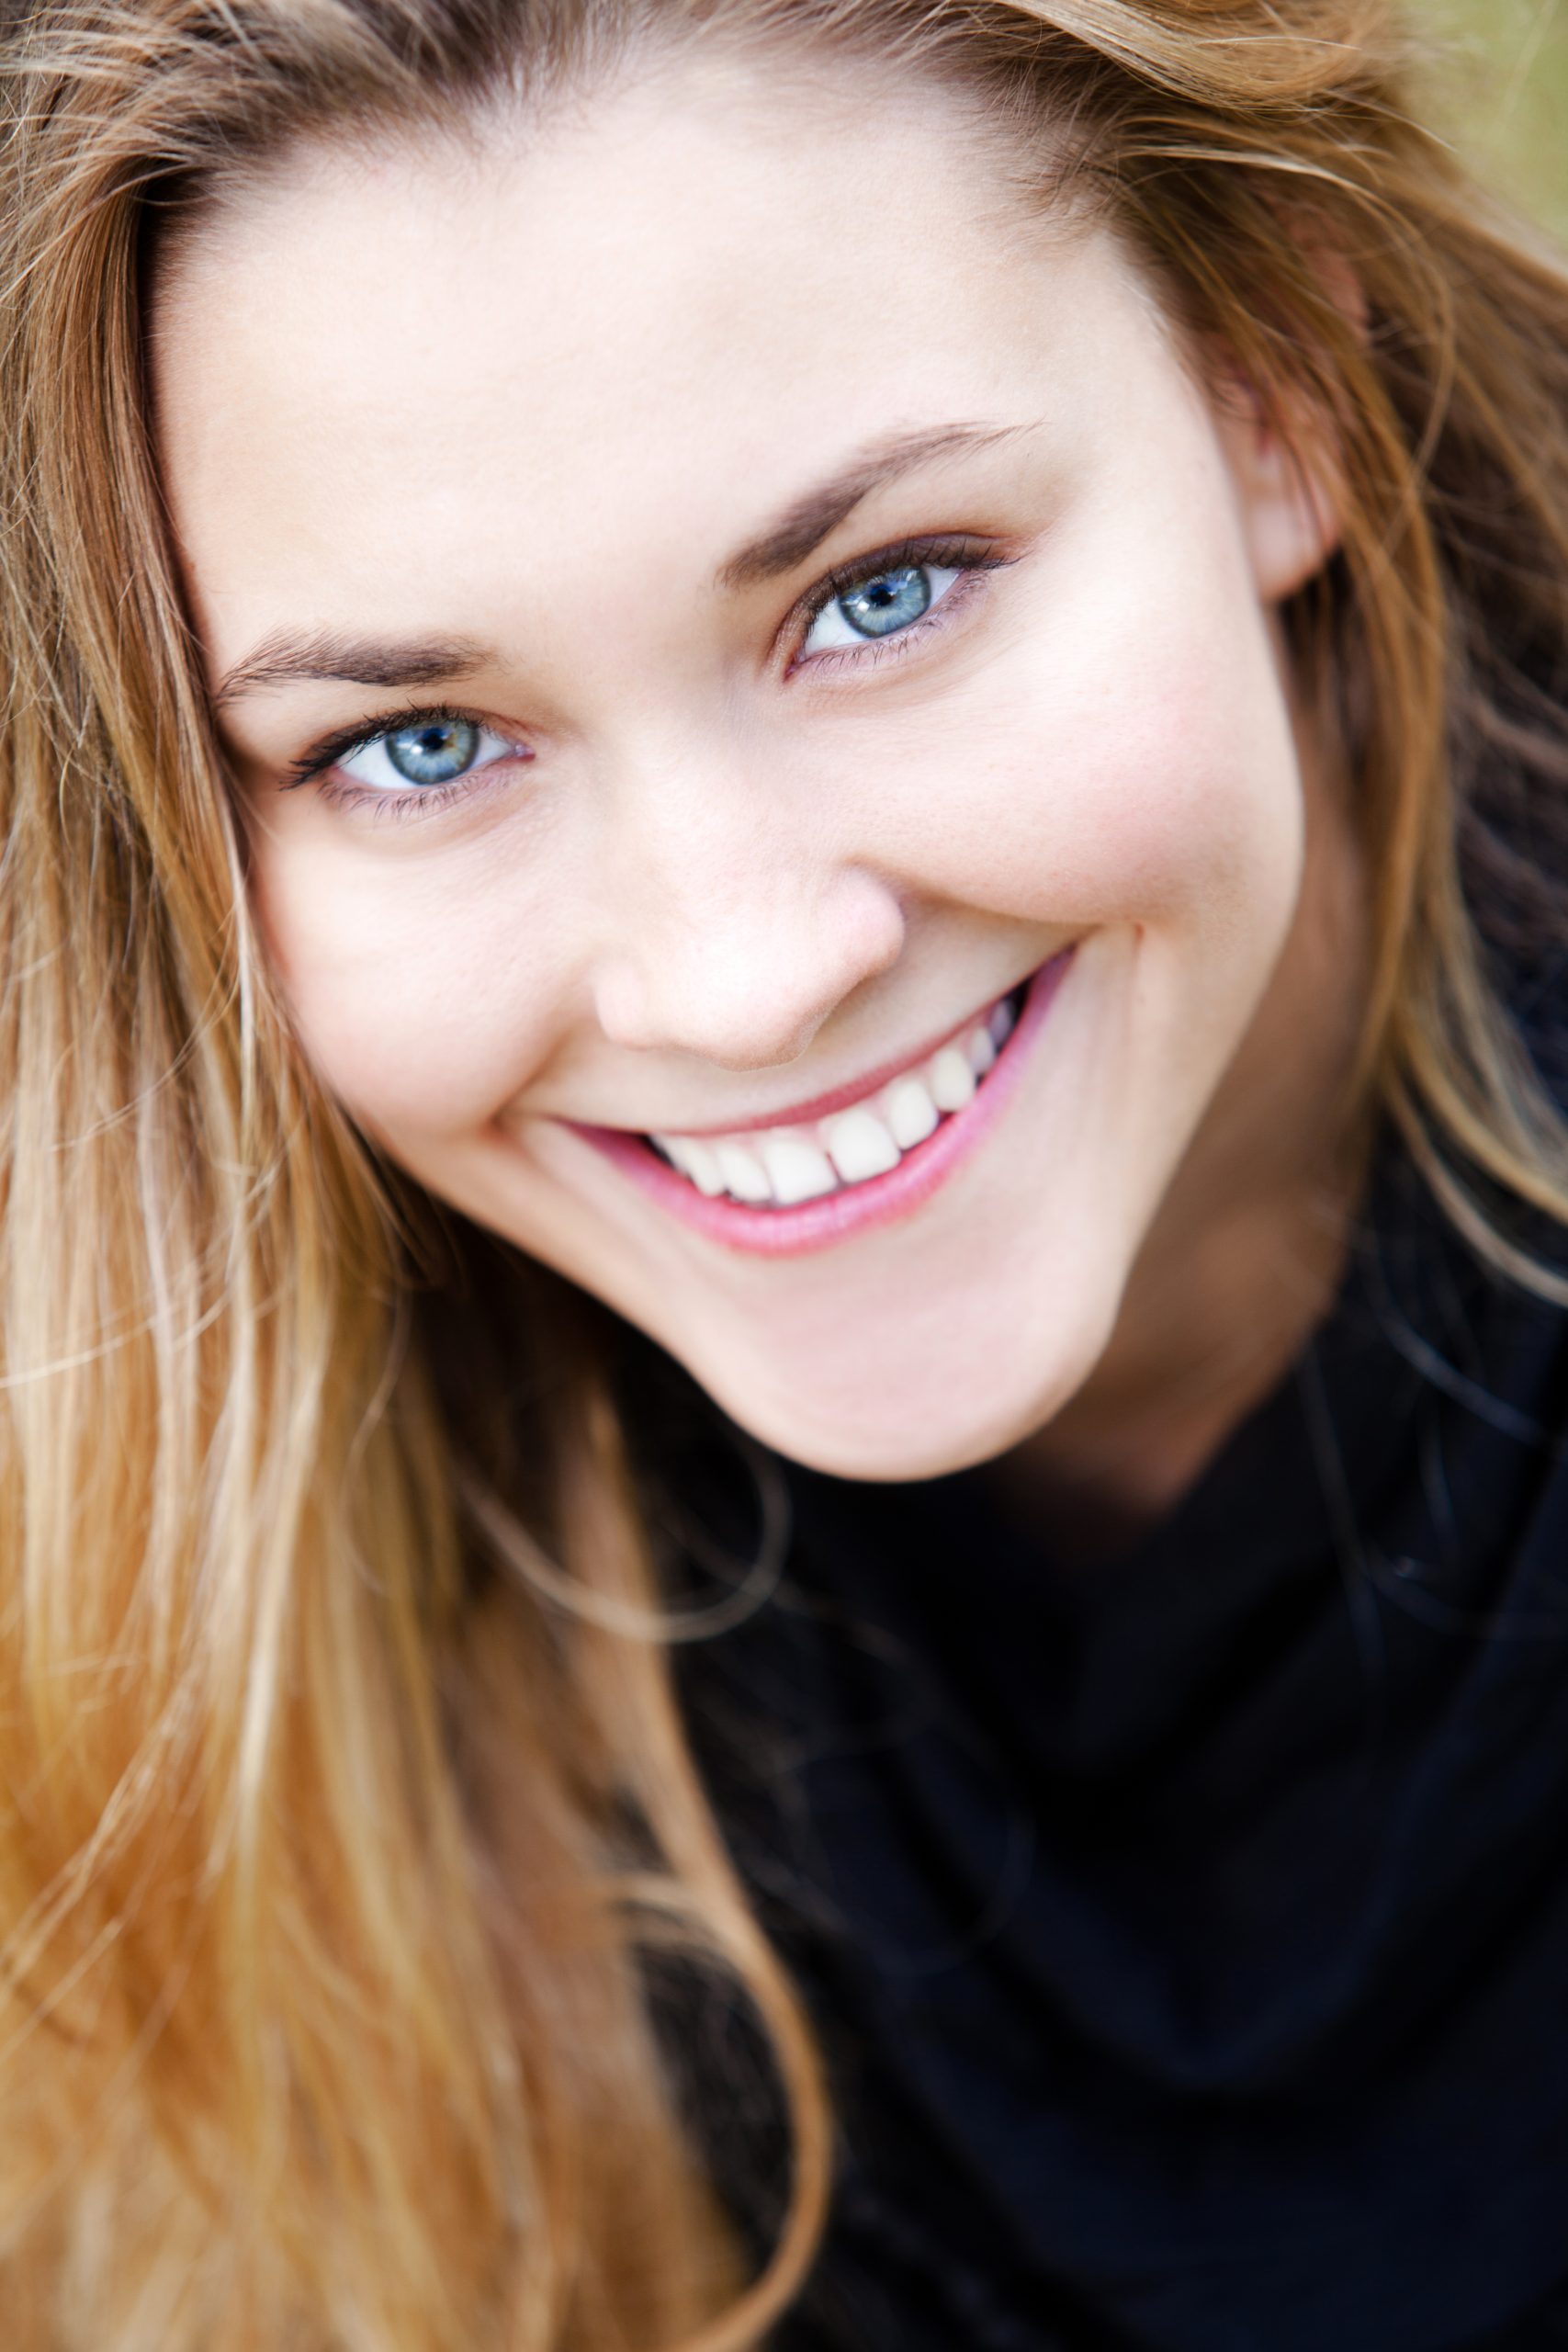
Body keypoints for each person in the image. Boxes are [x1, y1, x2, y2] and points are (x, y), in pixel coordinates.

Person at [2, 0, 1566, 2344]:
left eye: (883, 591)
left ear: (1274, 394)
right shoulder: (169, 1575)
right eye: (418, 742)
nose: (733, 979)